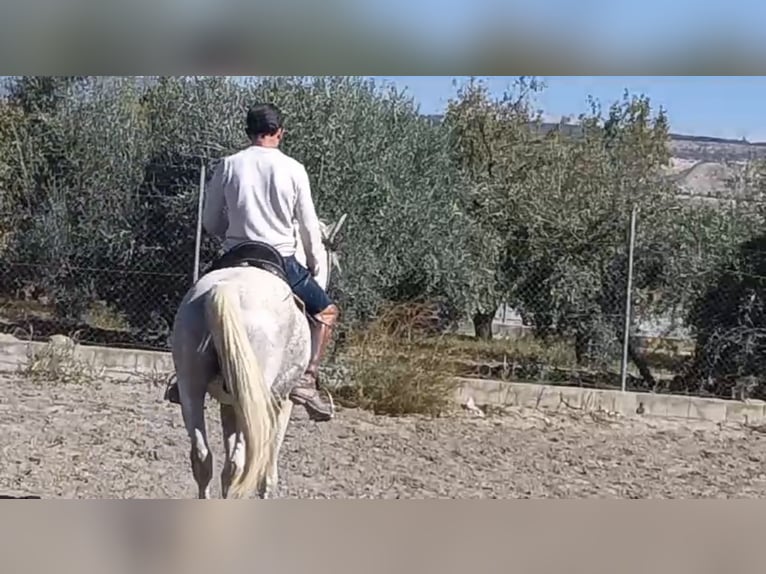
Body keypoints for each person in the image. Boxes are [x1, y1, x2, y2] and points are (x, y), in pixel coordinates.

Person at [165, 103, 339, 422]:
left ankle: (184, 375)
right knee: (327, 311)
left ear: (247, 132)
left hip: (235, 253)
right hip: (281, 259)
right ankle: (307, 380)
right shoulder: (293, 168)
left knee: (193, 301)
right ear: (280, 132)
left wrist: (228, 235)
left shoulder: (229, 164)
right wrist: (314, 263)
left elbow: (210, 221)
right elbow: (309, 226)